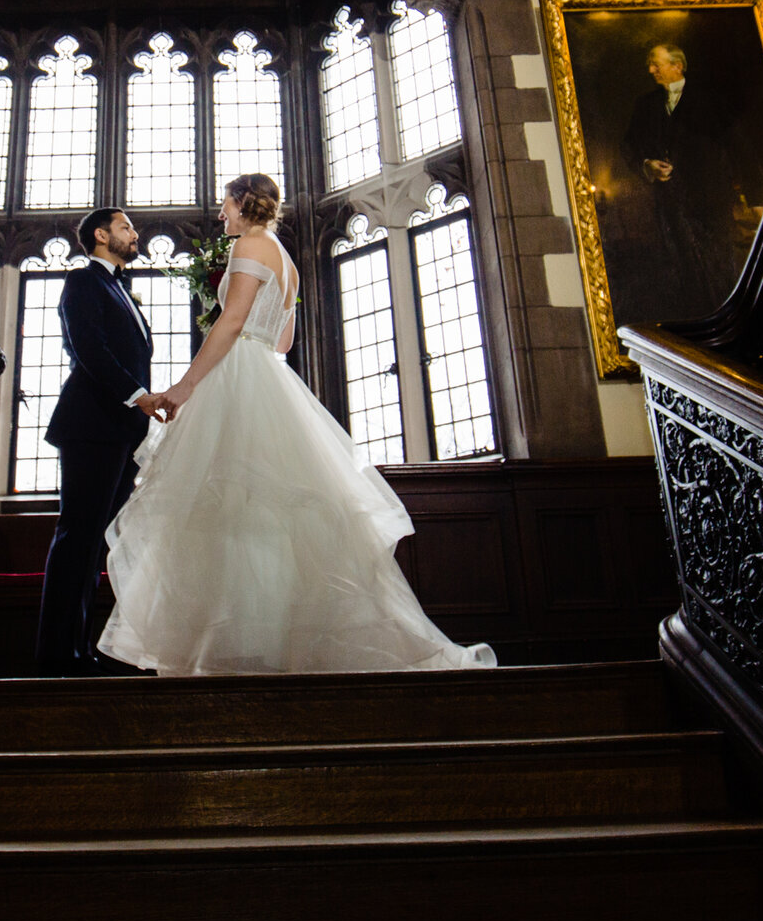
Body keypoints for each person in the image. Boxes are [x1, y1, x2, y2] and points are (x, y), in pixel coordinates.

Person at [98, 174, 494, 676]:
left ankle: (234, 650)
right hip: (272, 378)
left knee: (228, 513)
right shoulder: (285, 259)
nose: (222, 216)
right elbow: (283, 340)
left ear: (244, 204)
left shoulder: (248, 245)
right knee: (268, 521)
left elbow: (233, 322)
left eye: (226, 206)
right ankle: (267, 645)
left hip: (239, 378)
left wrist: (185, 386)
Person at [33, 207, 171, 677]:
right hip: (89, 426)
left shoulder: (120, 288)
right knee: (77, 537)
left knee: (95, 545)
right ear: (100, 234)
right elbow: (88, 349)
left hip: (122, 433)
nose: (136, 234)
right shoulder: (83, 281)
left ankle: (80, 650)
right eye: (126, 227)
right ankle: (56, 654)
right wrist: (139, 397)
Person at [611, 41, 741, 324]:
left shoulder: (709, 99)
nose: (651, 70)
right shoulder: (645, 105)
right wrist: (647, 166)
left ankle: (729, 322)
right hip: (670, 205)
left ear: (677, 66)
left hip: (711, 201)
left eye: (656, 63)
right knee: (684, 268)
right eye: (650, 64)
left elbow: (735, 146)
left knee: (720, 265)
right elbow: (629, 146)